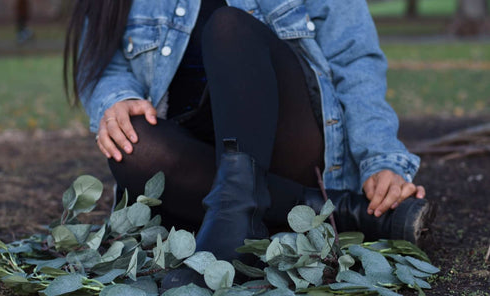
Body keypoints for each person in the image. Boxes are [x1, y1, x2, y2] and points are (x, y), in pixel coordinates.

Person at [64, 0, 433, 288]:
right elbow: (103, 66)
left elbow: (354, 57)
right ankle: (335, 211)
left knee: (229, 27)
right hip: (195, 156)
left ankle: (235, 224)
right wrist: (117, 99)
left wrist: (379, 159)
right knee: (132, 147)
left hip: (290, 144)